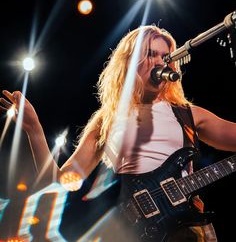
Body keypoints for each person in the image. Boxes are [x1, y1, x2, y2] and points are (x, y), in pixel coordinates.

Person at [1, 25, 236, 241]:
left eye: (165, 57)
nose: (159, 63)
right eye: (150, 54)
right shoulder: (107, 120)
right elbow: (60, 183)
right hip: (132, 232)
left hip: (186, 231)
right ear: (129, 62)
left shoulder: (188, 115)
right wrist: (34, 129)